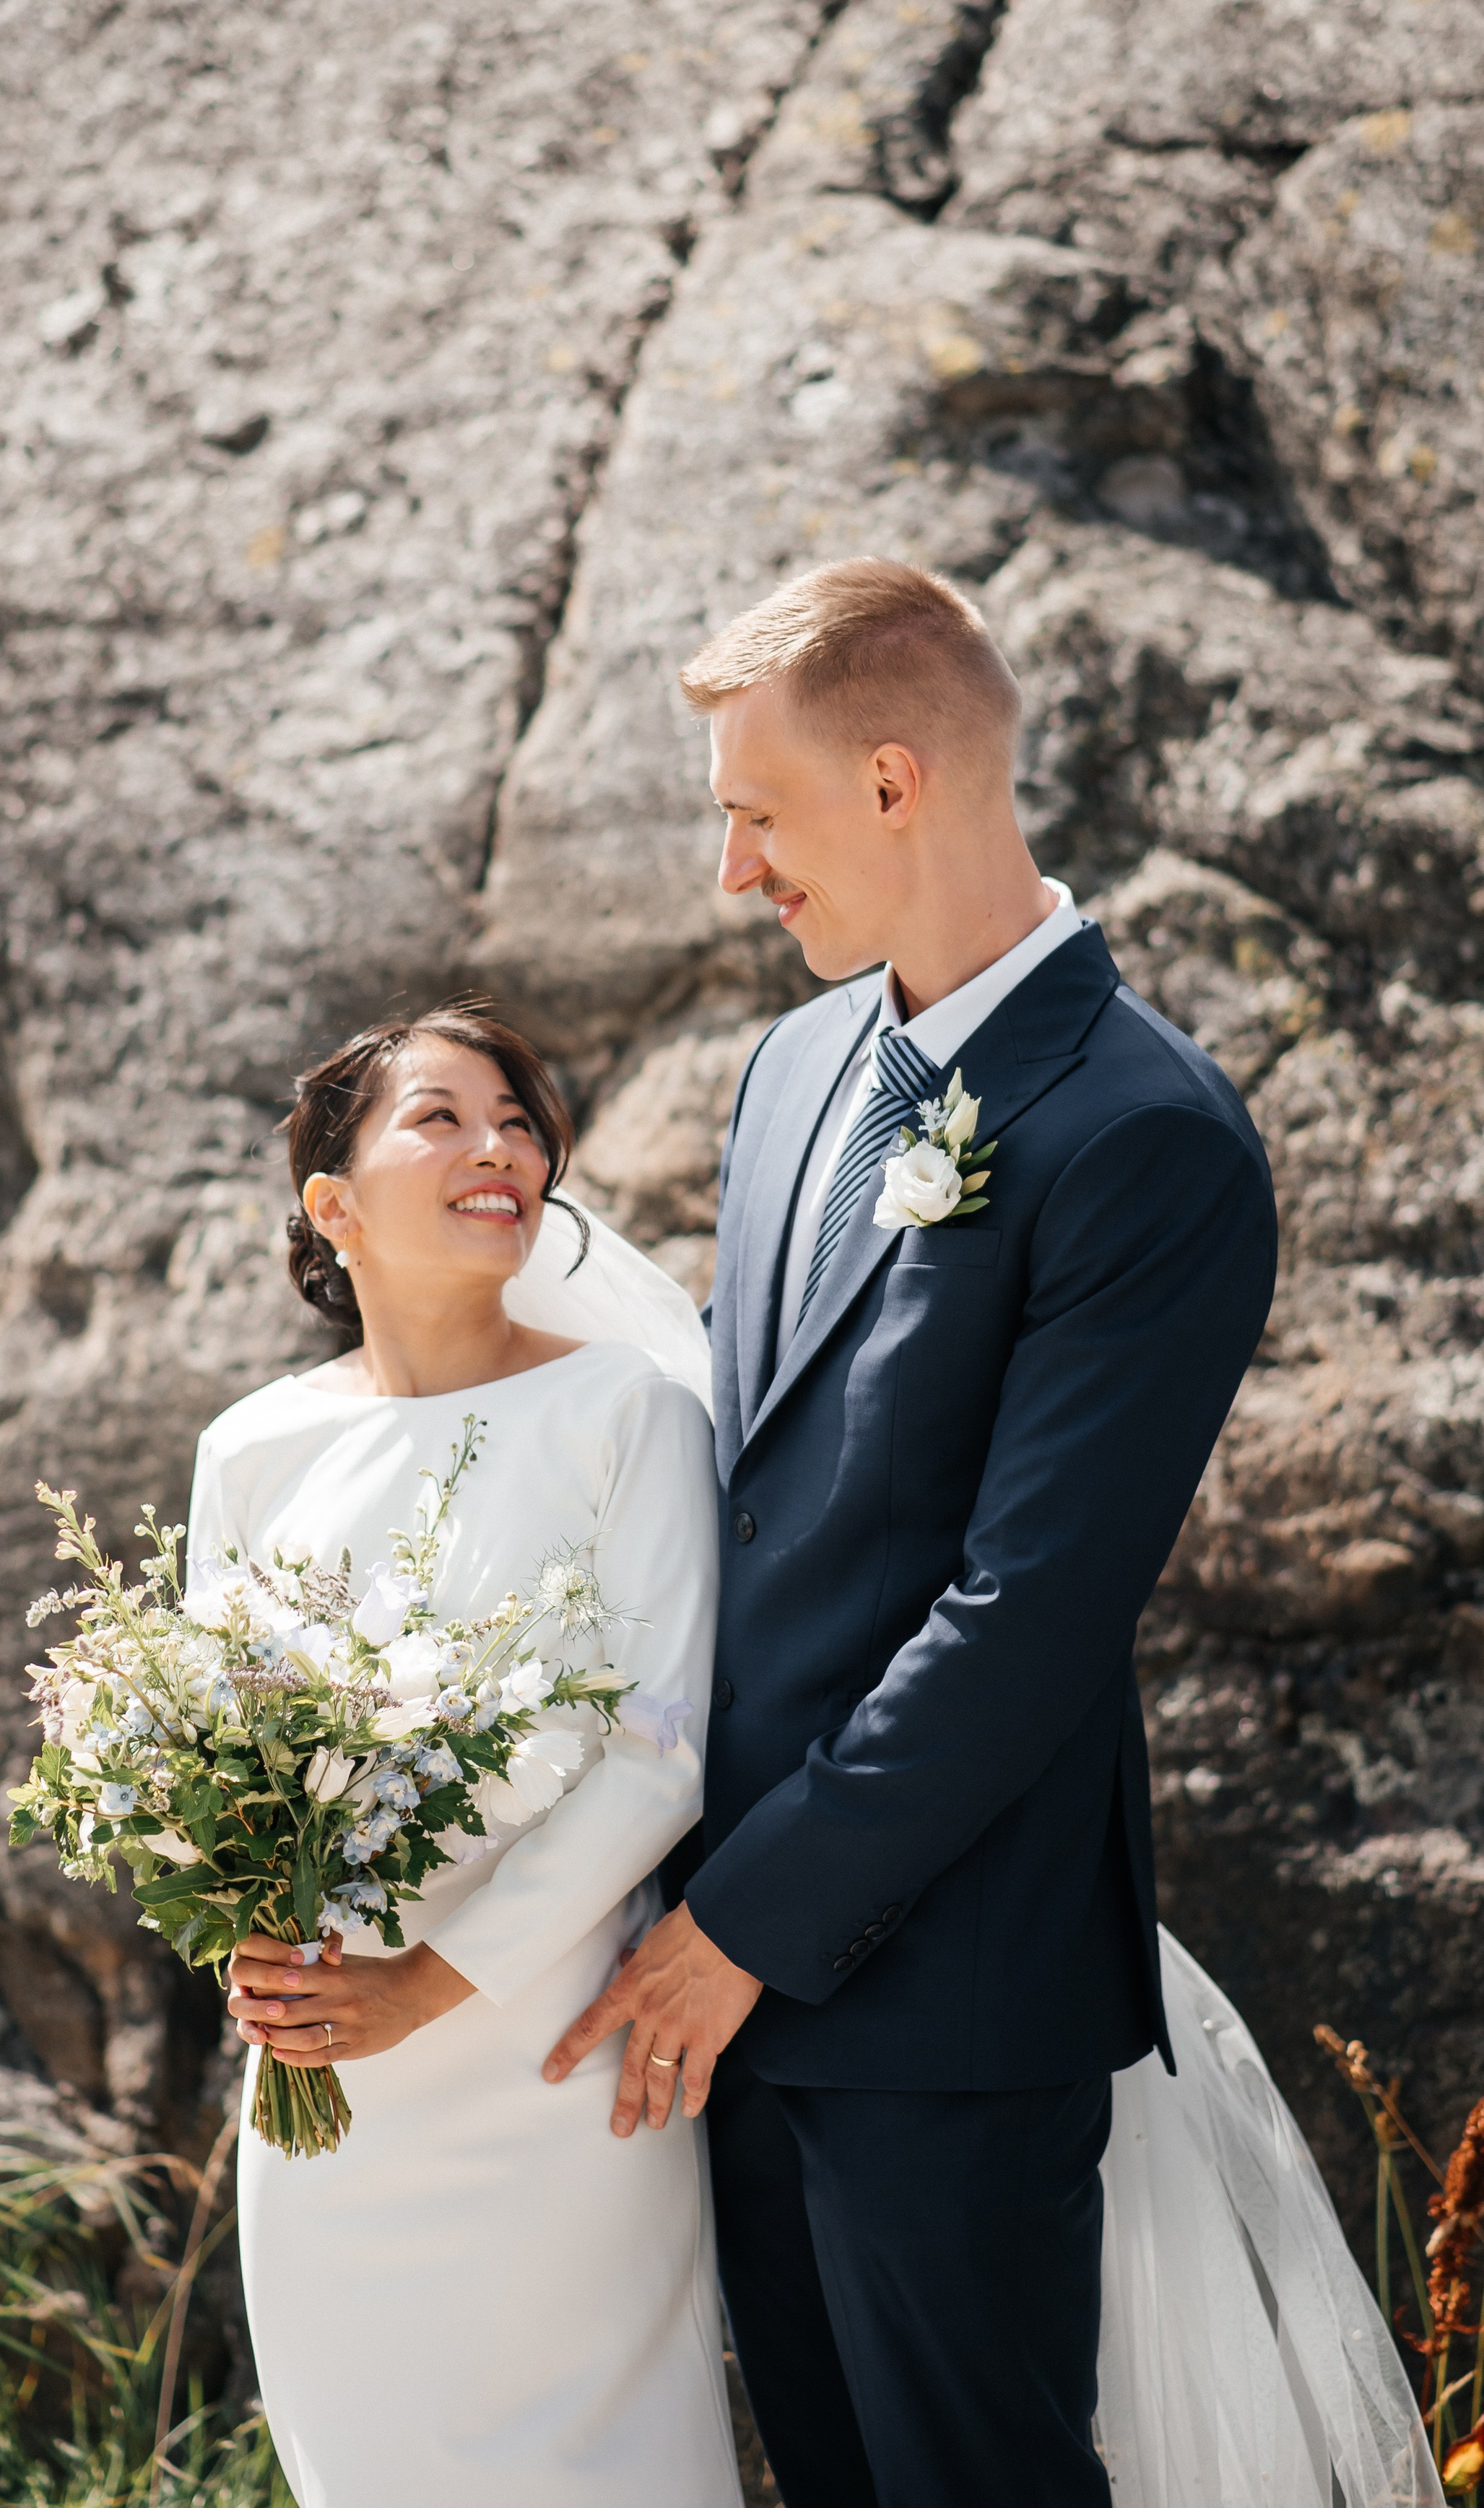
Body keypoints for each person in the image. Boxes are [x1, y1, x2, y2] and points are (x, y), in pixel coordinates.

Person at [539, 554, 1288, 2502]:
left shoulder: (1148, 1136)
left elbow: (1028, 1611)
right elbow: (749, 1497)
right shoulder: (795, 1072)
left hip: (946, 1999)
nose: (734, 872)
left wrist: (742, 1929)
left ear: (893, 783)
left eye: (755, 813)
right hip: (733, 1984)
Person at [188, 1007, 743, 2508]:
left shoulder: (627, 1416)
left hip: (551, 2063)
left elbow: (659, 1750)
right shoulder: (245, 1449)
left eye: (518, 1119)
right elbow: (212, 1756)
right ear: (334, 1204)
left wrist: (423, 1989)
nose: (499, 1146)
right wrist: (241, 1925)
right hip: (323, 2111)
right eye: (440, 1117)